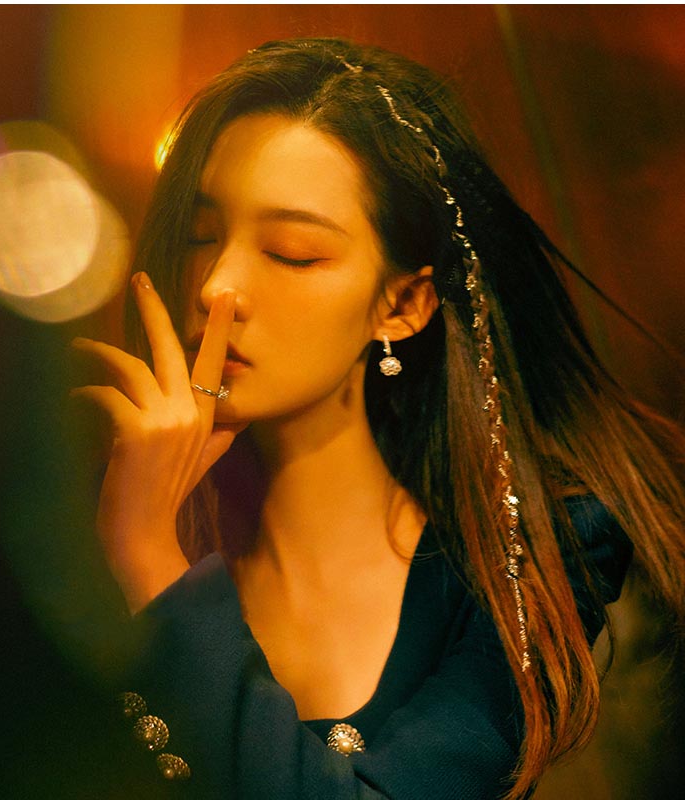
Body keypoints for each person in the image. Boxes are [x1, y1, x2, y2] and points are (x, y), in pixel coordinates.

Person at [70, 37, 685, 799]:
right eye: (202, 236)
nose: (217, 285)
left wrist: (151, 563)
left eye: (293, 252)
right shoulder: (74, 530)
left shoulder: (536, 554)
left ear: (402, 305)